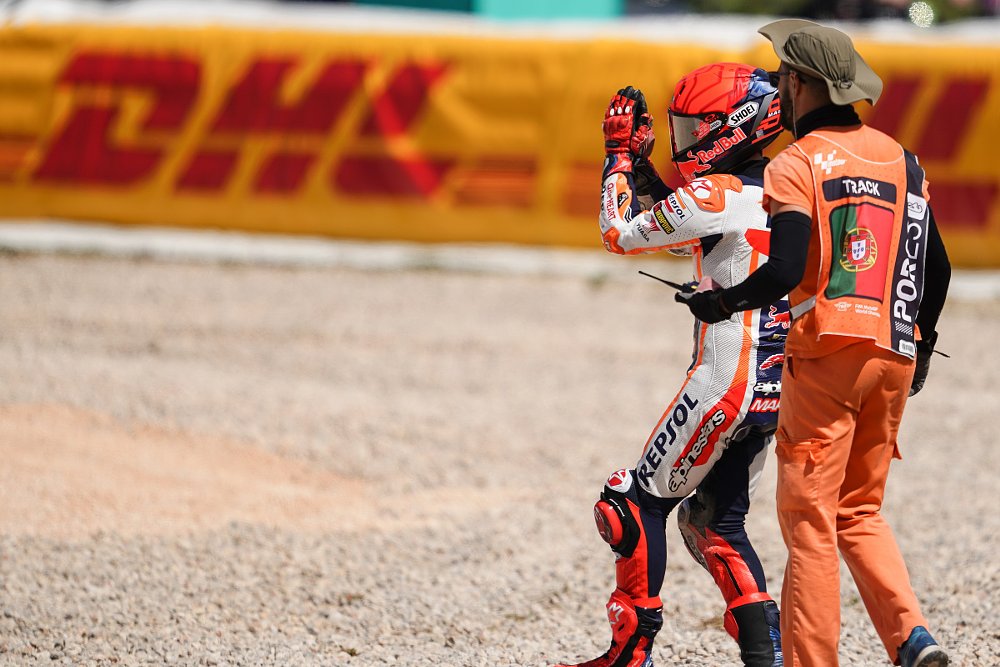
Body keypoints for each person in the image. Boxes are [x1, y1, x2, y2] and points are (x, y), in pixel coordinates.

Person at [675, 20, 952, 667]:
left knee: (809, 524)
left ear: (800, 84)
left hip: (826, 350)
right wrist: (923, 340)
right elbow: (935, 266)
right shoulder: (903, 159)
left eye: (782, 77)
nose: (778, 86)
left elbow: (784, 264)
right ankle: (911, 636)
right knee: (859, 509)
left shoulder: (797, 164)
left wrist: (722, 301)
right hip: (894, 350)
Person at [555, 62, 787, 667]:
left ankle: (630, 656)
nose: (684, 143)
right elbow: (683, 222)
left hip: (725, 376)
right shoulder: (782, 187)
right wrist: (647, 166)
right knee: (714, 525)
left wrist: (617, 157)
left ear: (731, 126)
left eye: (692, 129)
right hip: (774, 387)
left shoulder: (719, 193)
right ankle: (769, 657)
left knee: (630, 505)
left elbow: (620, 231)